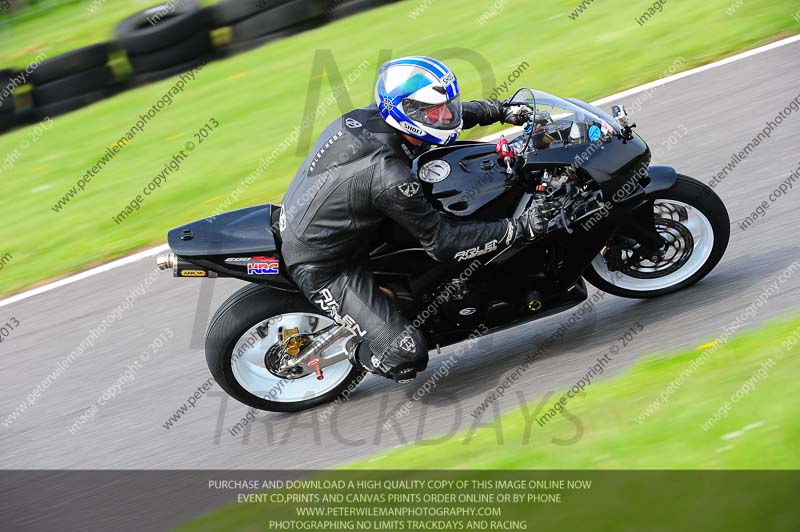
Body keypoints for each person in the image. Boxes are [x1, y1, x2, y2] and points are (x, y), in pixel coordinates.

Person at [279, 56, 544, 383]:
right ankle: (356, 350)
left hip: (334, 219)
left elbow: (449, 117)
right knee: (407, 356)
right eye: (434, 111)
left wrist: (498, 110)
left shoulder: (369, 117)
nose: (446, 115)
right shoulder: (391, 178)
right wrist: (520, 227)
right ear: (408, 113)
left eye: (448, 106)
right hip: (326, 266)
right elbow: (443, 243)